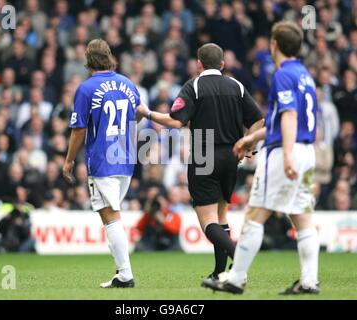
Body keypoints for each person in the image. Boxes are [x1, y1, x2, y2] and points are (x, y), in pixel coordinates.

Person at [203, 21, 320, 295]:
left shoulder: (282, 75)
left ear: (275, 44)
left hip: (284, 152)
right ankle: (309, 281)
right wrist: (250, 138)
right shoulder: (304, 74)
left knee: (254, 216)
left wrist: (287, 154)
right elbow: (285, 119)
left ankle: (235, 278)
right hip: (306, 151)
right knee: (302, 217)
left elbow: (289, 116)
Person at [137, 43, 263, 286]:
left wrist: (149, 113)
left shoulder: (194, 85)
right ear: (223, 64)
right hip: (231, 156)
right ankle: (218, 272)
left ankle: (239, 261)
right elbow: (258, 119)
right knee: (222, 214)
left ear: (199, 64)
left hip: (204, 154)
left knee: (207, 220)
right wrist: (247, 145)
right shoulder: (236, 85)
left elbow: (175, 121)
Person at [62, 39, 144, 288]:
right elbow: (139, 111)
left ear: (88, 60)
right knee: (112, 215)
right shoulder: (127, 84)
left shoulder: (86, 89)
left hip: (102, 160)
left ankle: (125, 275)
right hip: (126, 158)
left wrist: (68, 161)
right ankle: (123, 273)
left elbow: (78, 129)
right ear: (109, 57)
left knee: (111, 218)